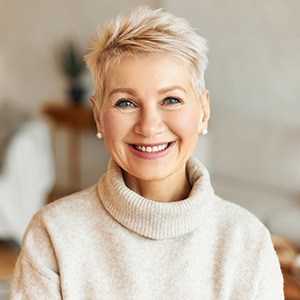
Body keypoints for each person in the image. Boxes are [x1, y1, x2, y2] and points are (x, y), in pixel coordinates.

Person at [10, 6, 284, 299]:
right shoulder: (53, 235)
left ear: (203, 112)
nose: (149, 126)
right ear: (99, 117)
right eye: (126, 103)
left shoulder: (247, 241)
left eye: (171, 99)